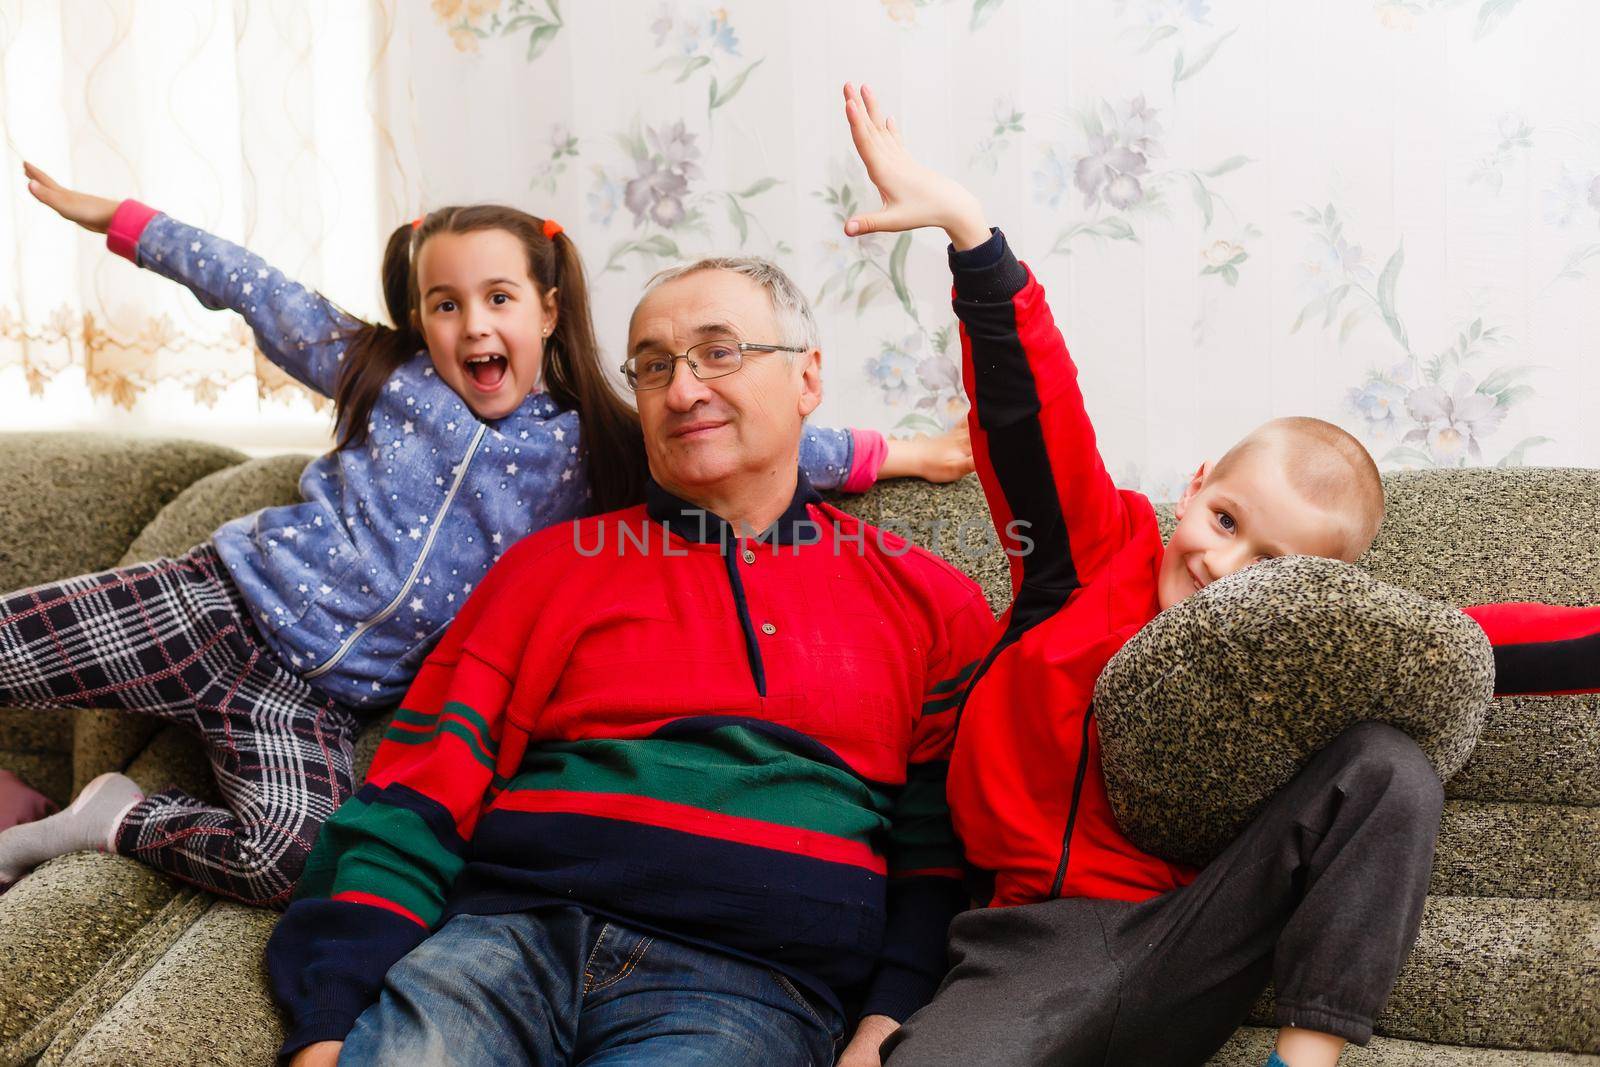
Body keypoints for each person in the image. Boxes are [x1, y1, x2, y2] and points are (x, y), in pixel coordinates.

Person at [836, 81, 1600, 1067]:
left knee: (1388, 763)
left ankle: (1306, 1055)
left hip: (1196, 935)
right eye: (1225, 518)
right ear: (1194, 486)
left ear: (1315, 591)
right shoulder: (1086, 555)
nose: (1219, 561)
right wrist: (972, 237)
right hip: (1028, 946)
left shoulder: (1303, 650)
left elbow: (1471, 643)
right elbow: (1032, 421)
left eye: (1269, 562)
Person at [0, 164, 969, 906]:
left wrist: (913, 451)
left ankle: (111, 818)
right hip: (213, 607)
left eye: (499, 298)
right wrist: (124, 223)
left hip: (309, 698)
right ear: (418, 317)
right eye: (444, 303)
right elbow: (254, 287)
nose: (473, 325)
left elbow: (767, 430)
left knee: (297, 863)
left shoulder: (595, 445)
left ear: (548, 309)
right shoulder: (378, 373)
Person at [264, 254, 998, 1066]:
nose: (683, 390)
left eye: (719, 353)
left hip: (748, 987)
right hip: (503, 947)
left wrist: (885, 1020)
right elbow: (415, 798)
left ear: (807, 378)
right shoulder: (548, 570)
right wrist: (328, 1018)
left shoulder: (931, 601)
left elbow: (940, 859)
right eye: (653, 366)